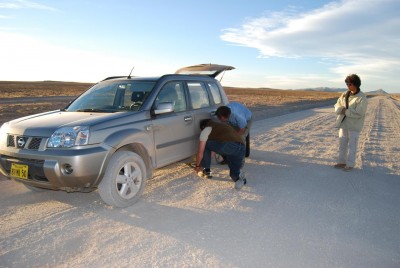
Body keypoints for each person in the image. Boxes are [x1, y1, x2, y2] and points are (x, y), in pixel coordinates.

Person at [194, 119, 247, 190]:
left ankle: (206, 172)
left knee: (205, 144)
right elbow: (212, 153)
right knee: (233, 174)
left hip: (229, 145)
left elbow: (200, 152)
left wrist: (197, 166)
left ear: (203, 127)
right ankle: (239, 179)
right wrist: (207, 159)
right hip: (241, 148)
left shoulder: (206, 130)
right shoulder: (222, 127)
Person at [334, 74, 368, 171]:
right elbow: (337, 105)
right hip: (343, 123)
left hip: (354, 125)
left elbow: (359, 113)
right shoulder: (345, 94)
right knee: (342, 143)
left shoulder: (362, 98)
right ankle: (341, 162)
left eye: (350, 84)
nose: (348, 86)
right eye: (347, 84)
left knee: (352, 145)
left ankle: (350, 164)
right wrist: (340, 109)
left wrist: (345, 111)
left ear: (356, 84)